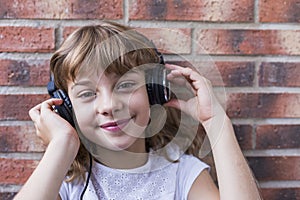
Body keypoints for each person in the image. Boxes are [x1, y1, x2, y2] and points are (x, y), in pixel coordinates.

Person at [14, 21, 261, 200]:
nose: (109, 106)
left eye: (125, 85)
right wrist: (62, 144)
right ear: (67, 109)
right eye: (87, 94)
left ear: (153, 91)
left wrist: (217, 122)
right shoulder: (65, 182)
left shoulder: (181, 174)